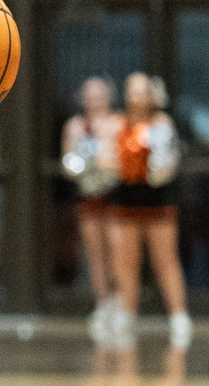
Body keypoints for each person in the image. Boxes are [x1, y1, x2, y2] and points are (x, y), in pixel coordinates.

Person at [100, 72, 190, 349]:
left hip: (157, 202)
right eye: (131, 91)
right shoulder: (114, 124)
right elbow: (104, 161)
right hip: (124, 201)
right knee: (125, 263)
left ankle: (179, 318)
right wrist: (126, 165)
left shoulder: (162, 123)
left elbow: (169, 163)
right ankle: (127, 316)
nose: (136, 98)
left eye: (141, 92)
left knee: (166, 260)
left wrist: (157, 166)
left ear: (151, 97)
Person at [61, 77, 119, 340]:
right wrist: (82, 165)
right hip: (88, 196)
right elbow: (67, 165)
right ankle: (102, 303)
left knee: (117, 253)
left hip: (114, 197)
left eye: (99, 95)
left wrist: (106, 162)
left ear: (109, 98)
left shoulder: (118, 123)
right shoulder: (74, 126)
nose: (94, 101)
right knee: (95, 254)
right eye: (89, 95)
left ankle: (121, 303)